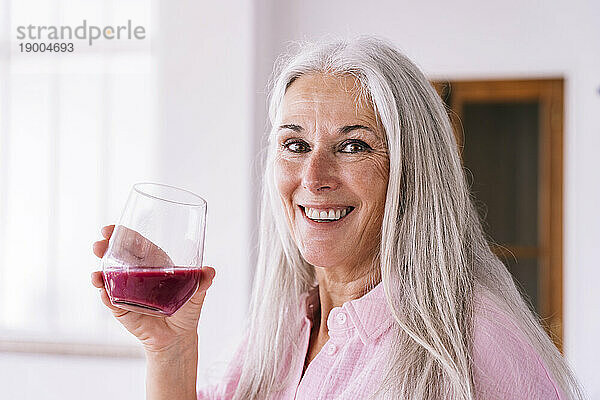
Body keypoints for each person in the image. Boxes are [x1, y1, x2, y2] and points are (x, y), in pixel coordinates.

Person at [92, 35, 586, 399]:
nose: (314, 176)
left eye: (353, 145)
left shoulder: (475, 340)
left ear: (411, 171)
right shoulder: (285, 328)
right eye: (295, 145)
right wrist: (171, 350)